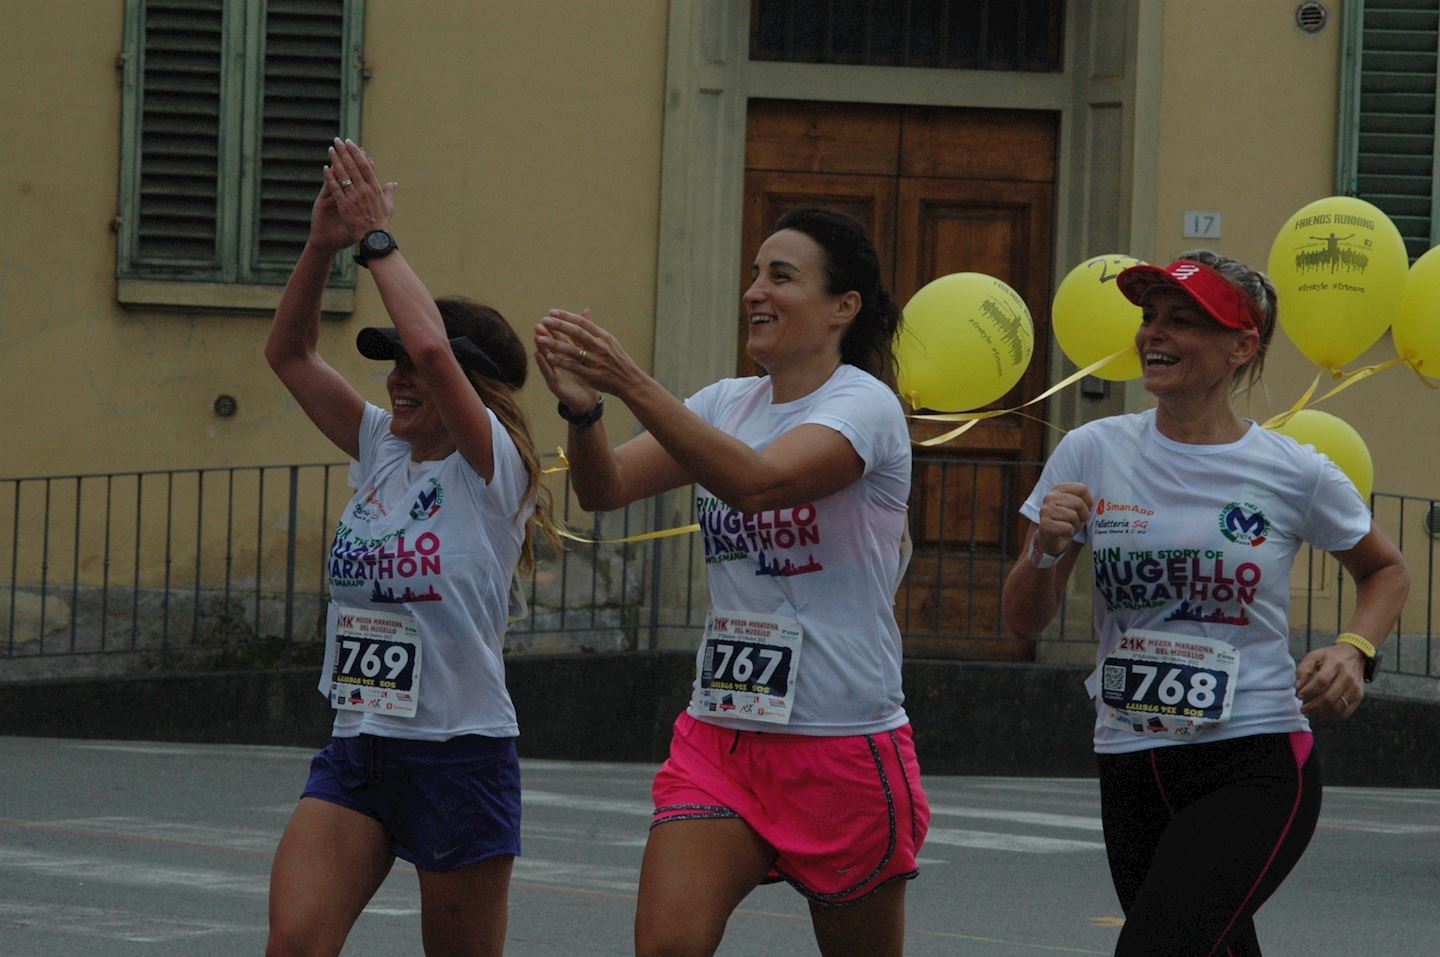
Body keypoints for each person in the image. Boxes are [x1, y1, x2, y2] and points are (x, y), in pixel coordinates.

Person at [533, 207, 929, 957]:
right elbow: (605, 487)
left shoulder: (864, 406)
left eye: (781, 276)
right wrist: (584, 409)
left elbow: (758, 482)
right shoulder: (725, 403)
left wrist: (632, 380)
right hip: (723, 736)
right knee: (667, 947)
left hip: (841, 742)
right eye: (753, 273)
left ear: (843, 307)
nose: (756, 291)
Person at [1002, 251, 1409, 957]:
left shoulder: (1292, 469)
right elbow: (1022, 619)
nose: (1154, 334)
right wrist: (1043, 548)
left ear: (1240, 346)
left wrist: (1354, 649)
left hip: (1252, 755)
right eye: (1149, 317)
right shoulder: (1091, 451)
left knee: (1157, 947)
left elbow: (1386, 569)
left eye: (1182, 320)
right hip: (1131, 754)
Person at [263, 138, 558, 957]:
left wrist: (378, 239)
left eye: (413, 364)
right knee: (293, 944)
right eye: (386, 358)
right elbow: (288, 354)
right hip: (361, 745)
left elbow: (434, 347)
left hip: (459, 756)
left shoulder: (492, 464)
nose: (398, 374)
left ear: (475, 389)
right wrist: (324, 243)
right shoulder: (380, 447)